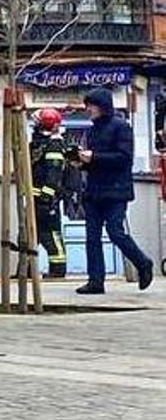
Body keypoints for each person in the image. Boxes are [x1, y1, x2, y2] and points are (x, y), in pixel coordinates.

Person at [73, 88, 154, 294]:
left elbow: (124, 158)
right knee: (92, 236)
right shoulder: (91, 130)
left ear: (102, 106)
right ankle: (95, 281)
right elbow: (94, 161)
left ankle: (143, 263)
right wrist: (81, 163)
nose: (88, 109)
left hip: (116, 190)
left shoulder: (121, 127)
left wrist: (94, 157)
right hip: (94, 191)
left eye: (91, 105)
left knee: (115, 231)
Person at [29, 108, 68, 279]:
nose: (34, 125)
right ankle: (26, 270)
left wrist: (46, 197)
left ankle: (58, 270)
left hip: (45, 201)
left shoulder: (54, 145)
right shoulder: (38, 144)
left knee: (50, 235)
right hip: (33, 198)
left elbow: (54, 174)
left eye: (37, 122)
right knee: (29, 235)